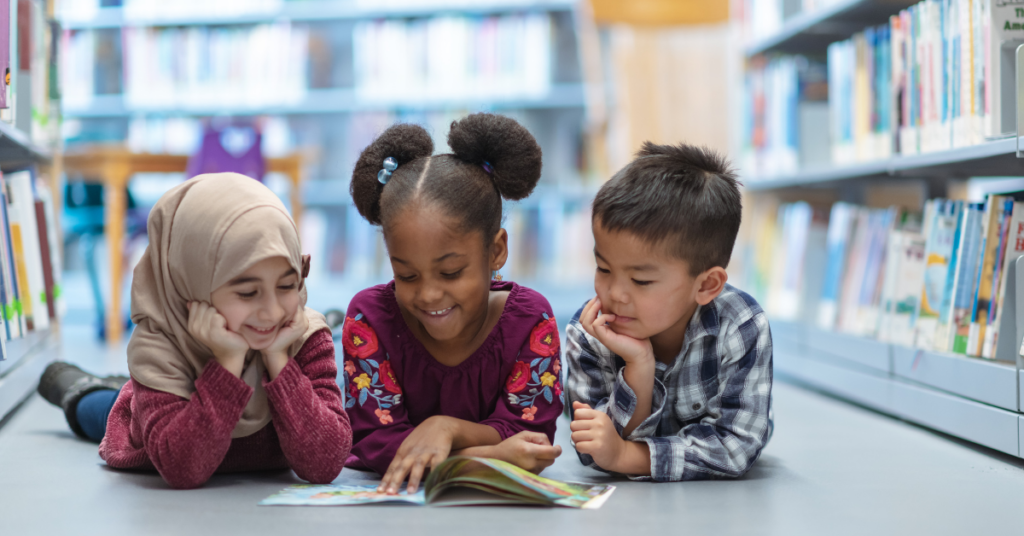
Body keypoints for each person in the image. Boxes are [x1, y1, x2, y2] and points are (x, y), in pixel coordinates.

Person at [37, 173, 352, 489]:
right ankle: (77, 386)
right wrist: (229, 363)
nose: (272, 312)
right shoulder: (160, 346)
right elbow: (183, 469)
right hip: (155, 431)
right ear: (193, 282)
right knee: (103, 409)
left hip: (199, 400)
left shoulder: (303, 334)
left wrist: (278, 359)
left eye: (286, 285)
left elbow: (325, 464)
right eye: (247, 293)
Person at [342, 113, 563, 495]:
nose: (427, 295)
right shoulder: (370, 318)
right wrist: (494, 457)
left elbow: (531, 440)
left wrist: (444, 427)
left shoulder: (531, 320)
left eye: (450, 273)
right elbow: (378, 445)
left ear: (495, 251)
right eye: (406, 275)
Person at [565, 142, 773, 482]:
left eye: (641, 280)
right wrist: (639, 367)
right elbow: (593, 449)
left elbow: (736, 447)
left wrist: (628, 456)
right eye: (603, 268)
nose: (614, 293)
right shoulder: (589, 330)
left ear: (706, 285)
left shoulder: (741, 325)